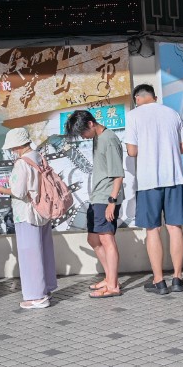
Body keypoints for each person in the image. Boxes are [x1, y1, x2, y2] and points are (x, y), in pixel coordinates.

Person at [124, 84, 183, 296]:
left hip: (148, 182)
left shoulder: (133, 116)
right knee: (175, 228)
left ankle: (159, 281)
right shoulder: (172, 113)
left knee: (153, 230)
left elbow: (132, 151)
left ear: (137, 98)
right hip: (174, 178)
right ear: (154, 96)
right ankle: (178, 279)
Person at [0, 128, 58, 309]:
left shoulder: (22, 163)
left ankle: (36, 296)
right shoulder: (38, 156)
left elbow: (19, 192)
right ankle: (46, 289)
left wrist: (2, 190)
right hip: (42, 211)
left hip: (26, 213)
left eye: (13, 147)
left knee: (30, 255)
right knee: (43, 251)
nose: (12, 150)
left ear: (17, 145)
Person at [64, 110, 124, 298]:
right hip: (98, 196)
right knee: (93, 239)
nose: (83, 136)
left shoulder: (109, 139)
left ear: (90, 123)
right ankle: (109, 277)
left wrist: (112, 202)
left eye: (83, 132)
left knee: (107, 239)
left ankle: (113, 285)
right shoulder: (98, 138)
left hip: (107, 197)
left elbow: (118, 174)